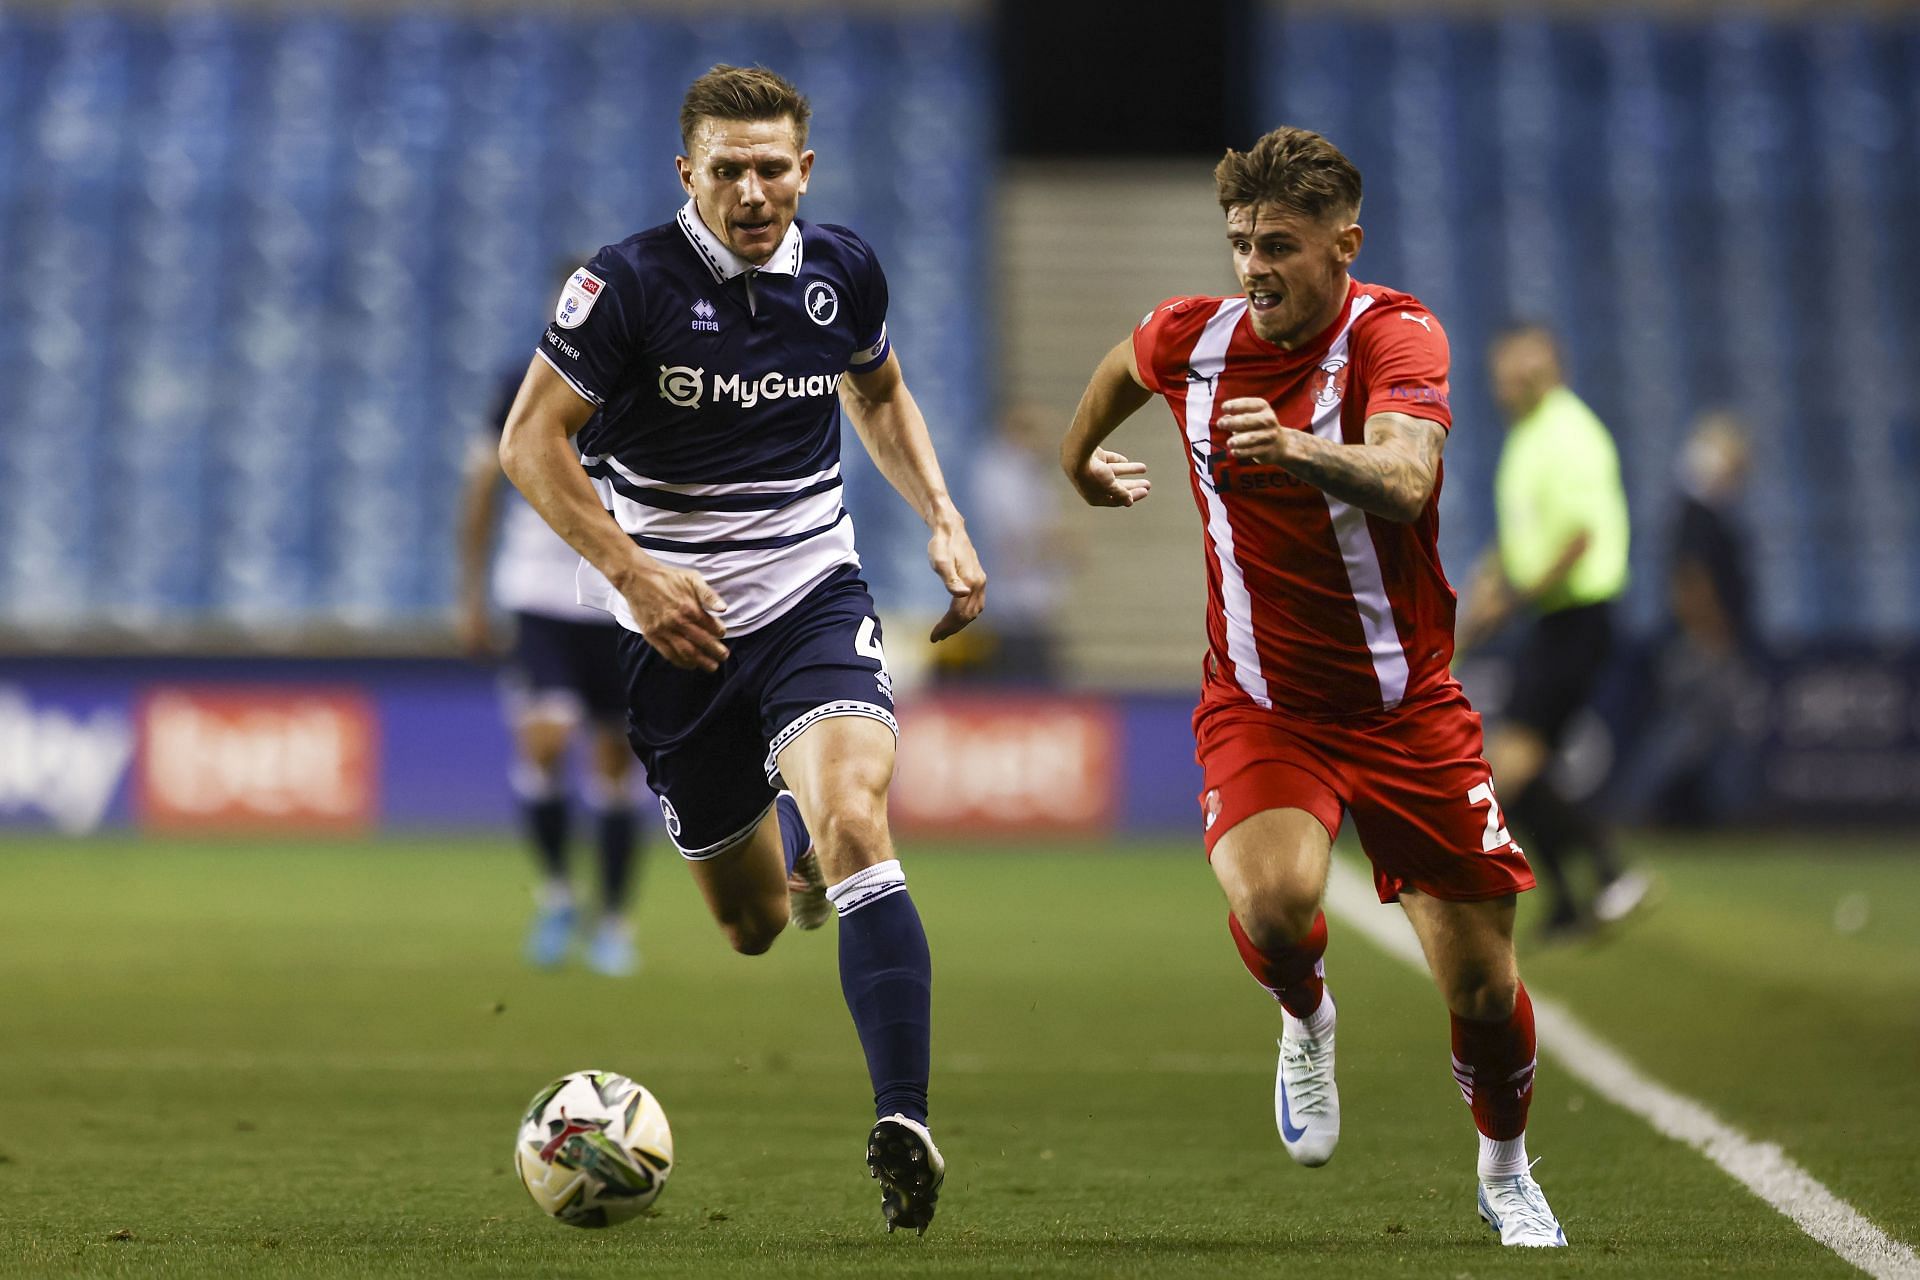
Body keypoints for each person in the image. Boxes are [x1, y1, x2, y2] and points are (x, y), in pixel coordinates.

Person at [497, 65, 985, 1236]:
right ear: (689, 173)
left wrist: (940, 512)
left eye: (774, 168)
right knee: (754, 921)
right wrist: (635, 573)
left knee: (860, 810)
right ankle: (799, 860)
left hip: (814, 593)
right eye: (729, 170)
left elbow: (880, 391)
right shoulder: (622, 286)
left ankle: (903, 1120)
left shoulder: (842, 268)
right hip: (676, 638)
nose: (754, 191)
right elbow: (529, 443)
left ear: (804, 170)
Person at [1060, 126, 1567, 1248]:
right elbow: (1119, 366)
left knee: (1482, 988)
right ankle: (1306, 1016)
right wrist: (1078, 460)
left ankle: (1505, 1166)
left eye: (1280, 245)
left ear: (1346, 243)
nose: (1254, 266)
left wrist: (1296, 450)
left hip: (1405, 707)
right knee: (1276, 902)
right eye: (1241, 242)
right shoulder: (1191, 339)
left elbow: (1408, 473)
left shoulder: (1399, 333)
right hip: (1263, 703)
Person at [1458, 324, 1650, 938]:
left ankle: (1608, 870)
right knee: (1515, 767)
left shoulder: (1570, 435)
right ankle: (1576, 896)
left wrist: (1510, 599)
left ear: (1538, 367)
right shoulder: (1530, 437)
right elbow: (1524, 538)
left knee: (1510, 766)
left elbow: (1577, 539)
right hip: (1553, 620)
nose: (1498, 386)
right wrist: (1489, 579)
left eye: (1507, 371)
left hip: (1578, 620)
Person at [457, 369, 648, 977]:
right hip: (539, 597)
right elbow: (484, 481)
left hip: (620, 594)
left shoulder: (652, 374)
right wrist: (471, 594)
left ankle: (615, 921)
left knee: (615, 762)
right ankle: (559, 894)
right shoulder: (524, 381)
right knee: (546, 738)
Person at [1618, 411, 1759, 826]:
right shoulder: (1697, 514)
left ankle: (1694, 811)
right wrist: (1711, 633)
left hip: (1699, 639)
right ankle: (1636, 804)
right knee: (1683, 734)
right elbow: (1690, 580)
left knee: (1696, 732)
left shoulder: (1697, 512)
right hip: (1698, 642)